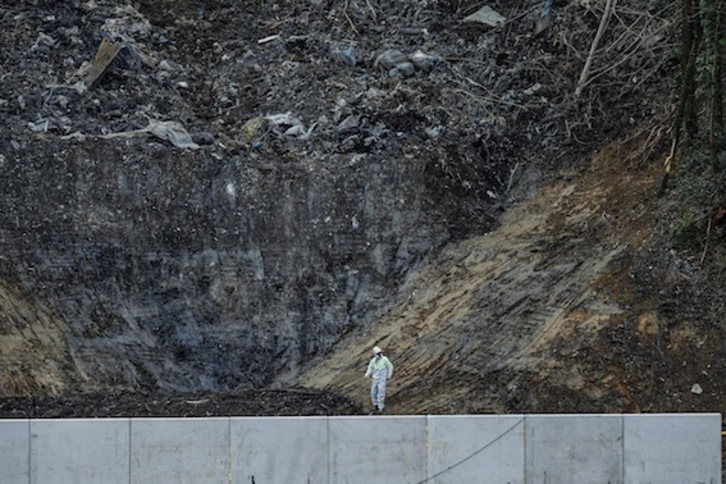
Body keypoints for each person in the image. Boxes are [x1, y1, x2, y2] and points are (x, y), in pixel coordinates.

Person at [364, 346, 393, 413]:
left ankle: (381, 406)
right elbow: (370, 368)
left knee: (381, 392)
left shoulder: (385, 359)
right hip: (375, 379)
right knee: (373, 392)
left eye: (379, 353)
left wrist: (389, 375)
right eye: (377, 353)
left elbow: (390, 366)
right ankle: (375, 405)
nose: (379, 355)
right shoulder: (373, 361)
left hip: (382, 379)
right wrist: (367, 374)